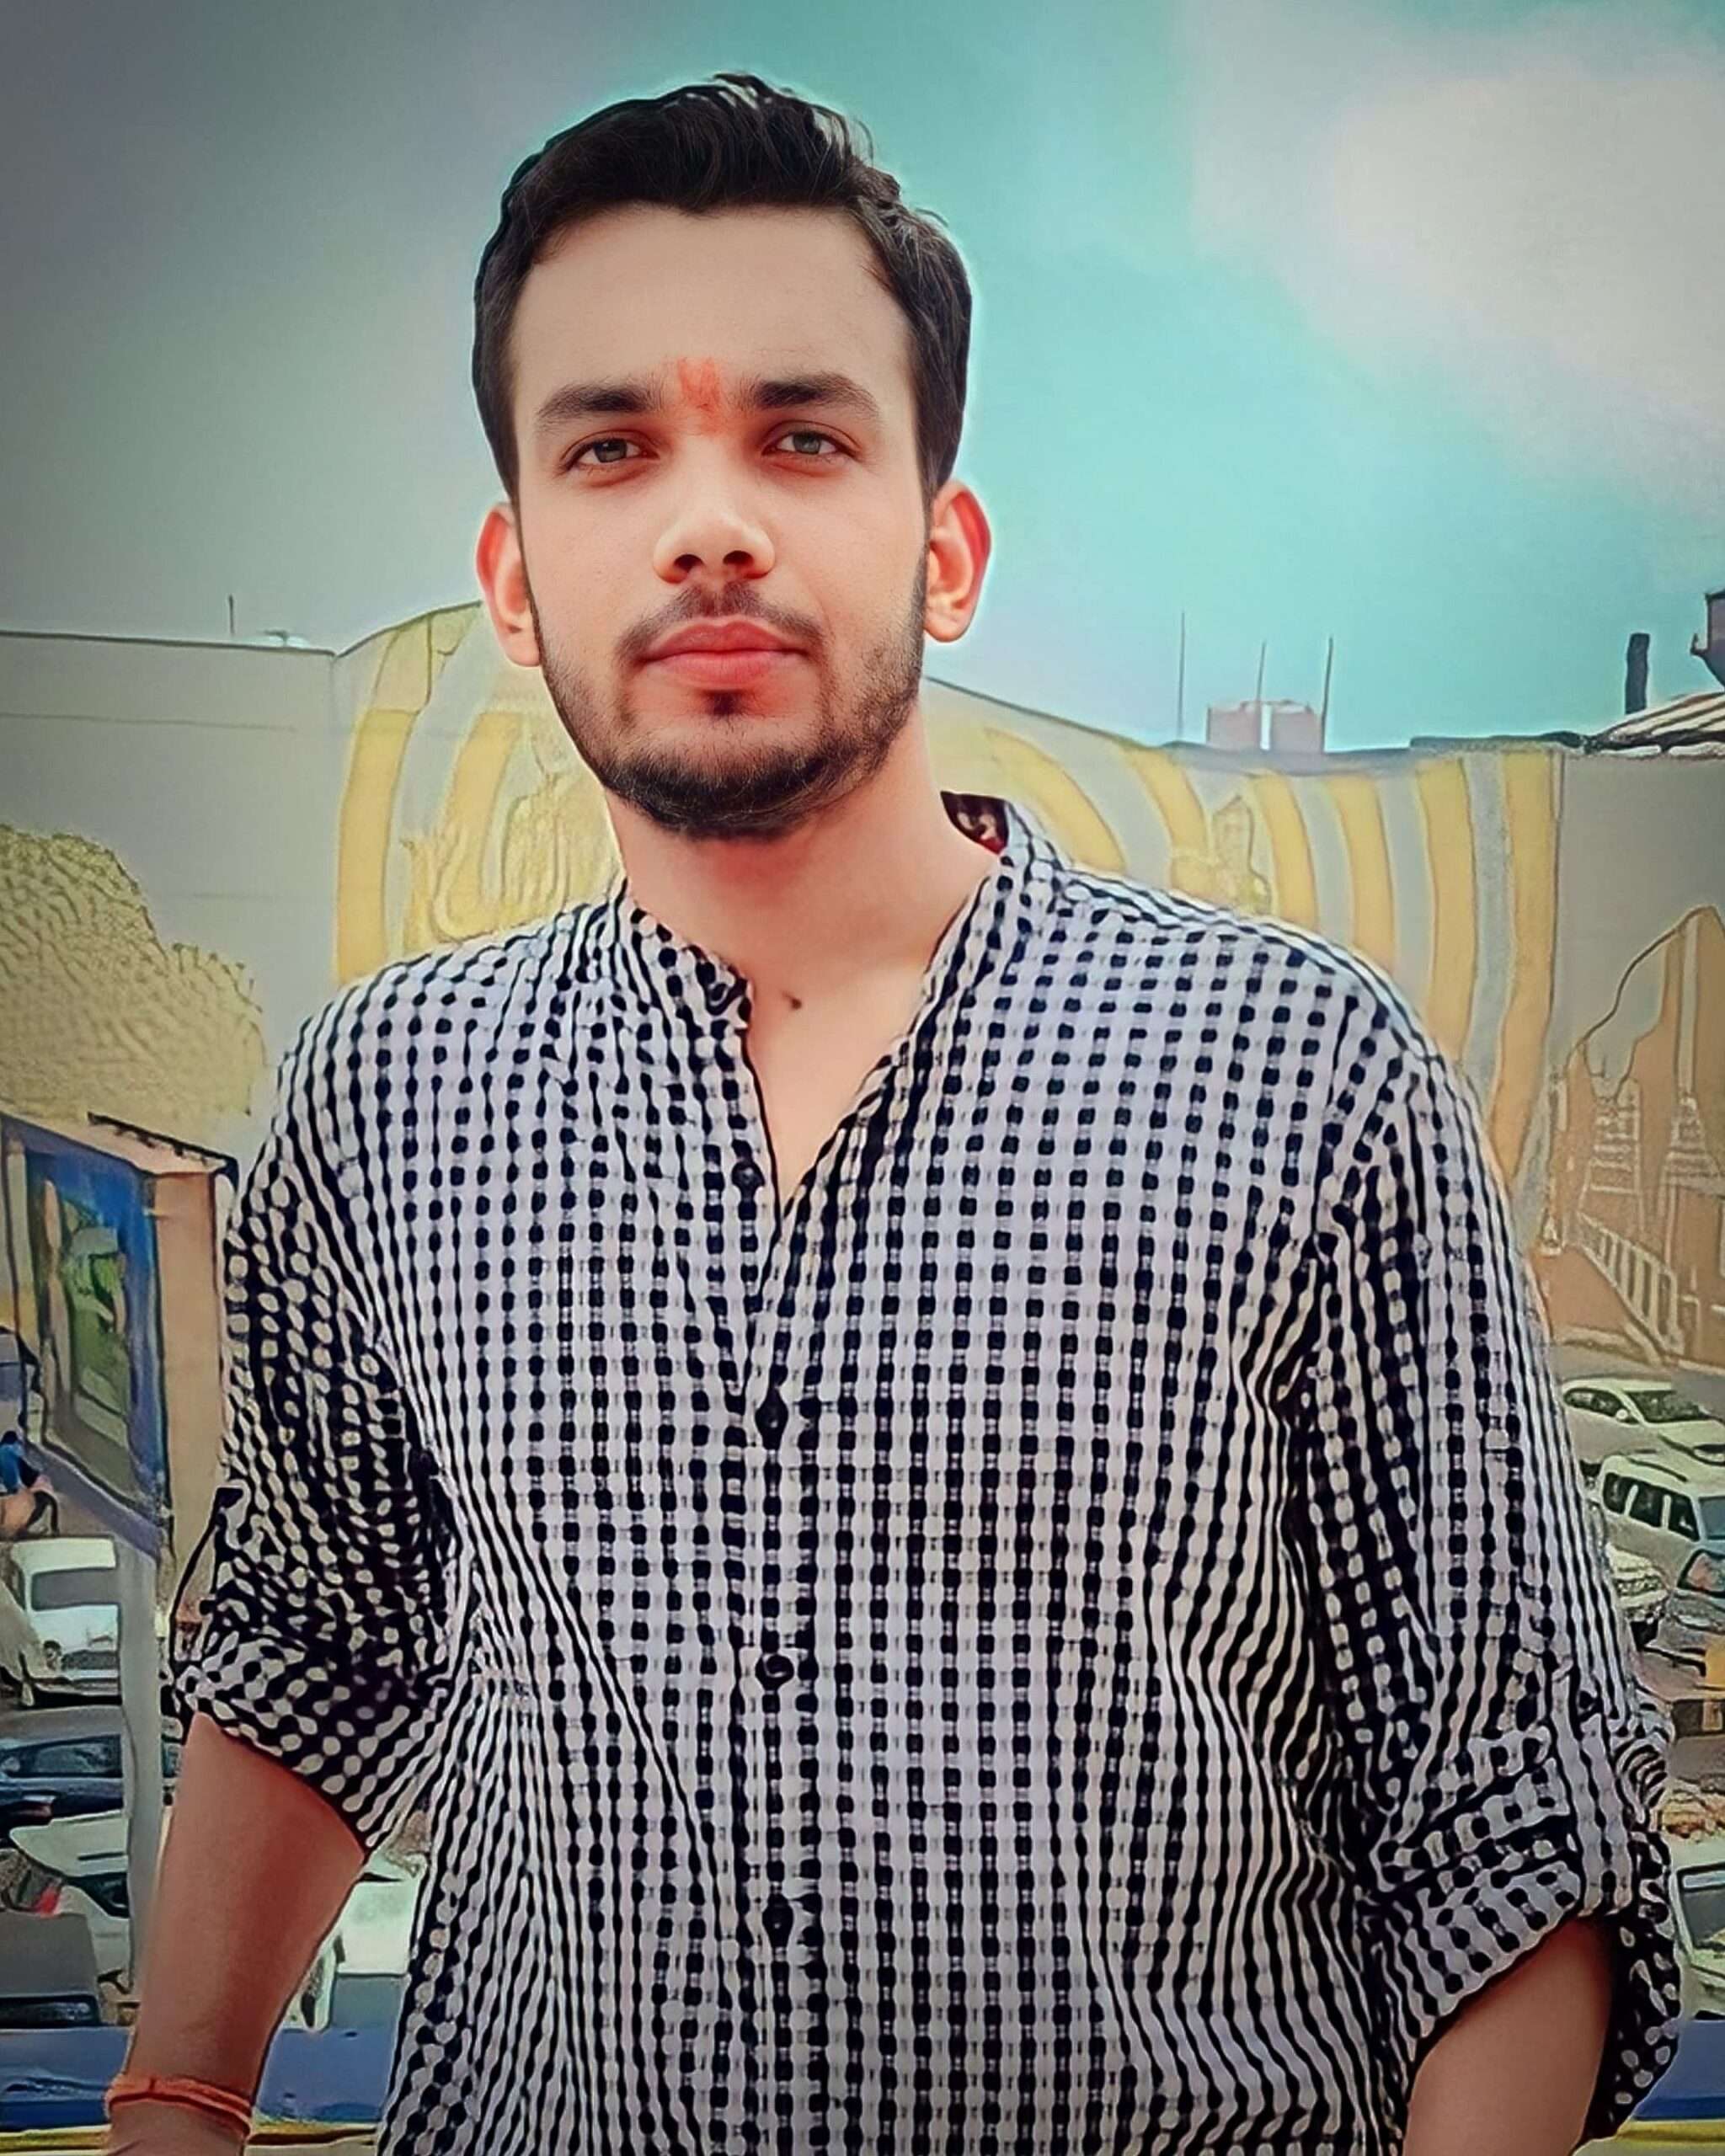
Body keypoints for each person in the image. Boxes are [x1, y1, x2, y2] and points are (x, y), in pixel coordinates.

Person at [112, 73, 1679, 2156]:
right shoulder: (382, 1095)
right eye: (609, 447)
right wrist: (178, 2094)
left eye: (801, 434)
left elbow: (1507, 1808)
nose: (709, 521)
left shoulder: (1305, 1075)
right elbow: (315, 1642)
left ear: (943, 549)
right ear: (517, 576)